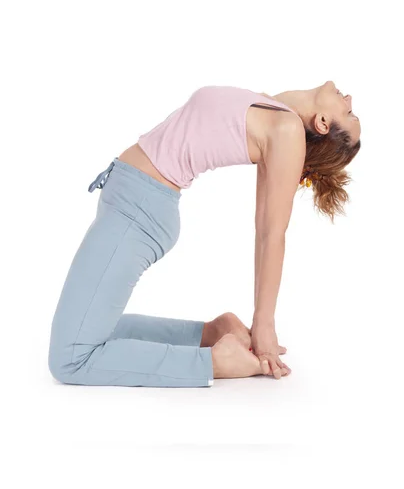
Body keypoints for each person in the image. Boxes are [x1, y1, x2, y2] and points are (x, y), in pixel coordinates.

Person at [48, 81, 361, 387]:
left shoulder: (286, 130)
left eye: (350, 114)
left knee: (70, 359)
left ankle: (213, 362)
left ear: (322, 122)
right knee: (89, 333)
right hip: (133, 201)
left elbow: (270, 231)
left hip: (139, 212)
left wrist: (264, 324)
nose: (348, 98)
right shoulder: (275, 111)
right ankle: (210, 334)